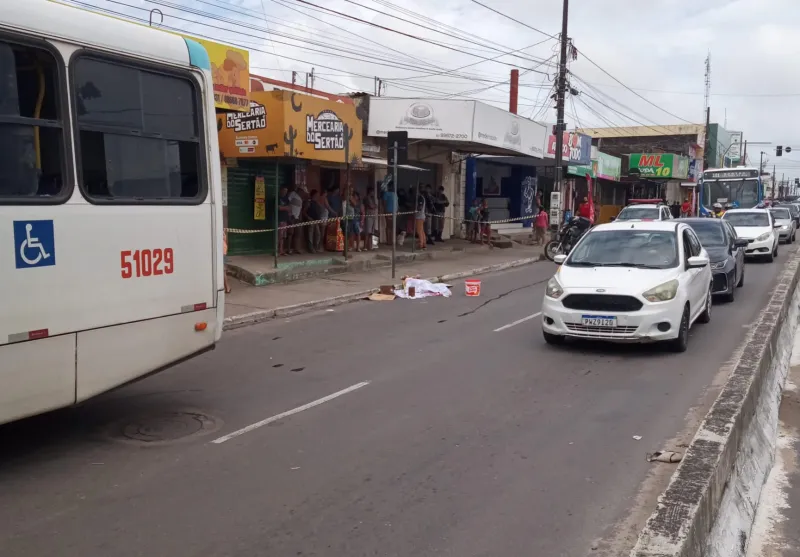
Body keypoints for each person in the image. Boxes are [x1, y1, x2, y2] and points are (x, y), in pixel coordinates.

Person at [287, 186, 303, 254]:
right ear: (299, 190)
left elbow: (300, 209)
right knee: (290, 233)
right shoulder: (292, 194)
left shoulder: (300, 199)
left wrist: (299, 217)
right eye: (302, 191)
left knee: (297, 234)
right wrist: (291, 214)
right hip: (291, 217)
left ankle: (296, 248)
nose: (303, 193)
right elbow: (288, 204)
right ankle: (288, 249)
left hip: (297, 218)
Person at [277, 186, 291, 256]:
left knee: (283, 236)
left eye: (286, 191)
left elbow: (289, 208)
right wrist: (285, 208)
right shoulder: (277, 198)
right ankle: (277, 250)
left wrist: (284, 208)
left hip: (285, 219)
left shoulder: (287, 199)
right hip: (280, 219)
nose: (285, 192)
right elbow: (278, 208)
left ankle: (281, 250)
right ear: (280, 190)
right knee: (279, 235)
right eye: (284, 190)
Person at [363, 186, 378, 251]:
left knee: (372, 232)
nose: (373, 193)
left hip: (373, 216)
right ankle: (365, 247)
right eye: (372, 191)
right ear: (370, 192)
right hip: (368, 216)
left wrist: (374, 206)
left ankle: (372, 246)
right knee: (367, 232)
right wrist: (374, 206)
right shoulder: (366, 198)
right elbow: (371, 206)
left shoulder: (373, 198)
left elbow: (376, 206)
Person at [223, 229, 231, 294]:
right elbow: (225, 240)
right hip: (223, 252)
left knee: (223, 271)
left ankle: (227, 287)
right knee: (223, 271)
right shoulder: (221, 230)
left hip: (222, 251)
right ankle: (227, 287)